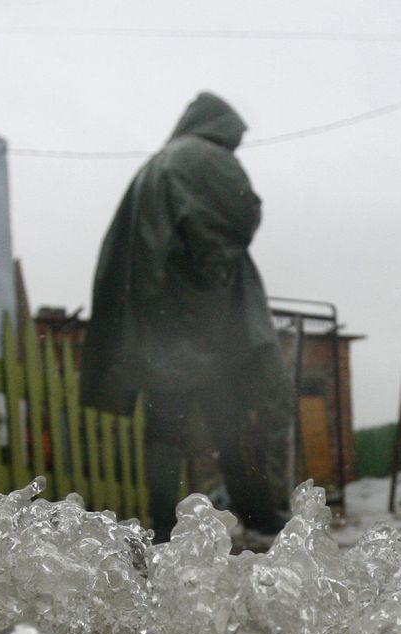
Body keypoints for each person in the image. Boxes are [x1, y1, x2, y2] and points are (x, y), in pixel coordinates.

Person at [80, 91, 293, 544]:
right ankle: (257, 516)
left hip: (162, 325)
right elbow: (241, 214)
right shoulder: (209, 160)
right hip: (213, 324)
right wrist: (213, 272)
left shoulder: (157, 165)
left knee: (164, 429)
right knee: (231, 422)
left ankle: (162, 527)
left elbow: (130, 254)